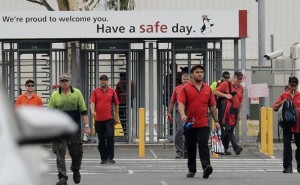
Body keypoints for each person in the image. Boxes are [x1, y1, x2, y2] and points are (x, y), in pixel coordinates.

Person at [178, 64, 220, 179]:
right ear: (192, 75)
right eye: (197, 72)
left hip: (203, 122)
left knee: (203, 144)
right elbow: (180, 103)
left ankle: (206, 167)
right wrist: (182, 115)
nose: (200, 74)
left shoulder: (208, 89)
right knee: (190, 146)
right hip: (189, 123)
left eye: (201, 72)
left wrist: (216, 120)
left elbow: (212, 106)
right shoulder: (185, 88)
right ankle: (192, 169)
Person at [48, 73, 90, 185]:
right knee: (60, 154)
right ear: (59, 83)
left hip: (73, 129)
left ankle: (76, 170)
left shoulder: (77, 93)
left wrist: (86, 126)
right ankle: (62, 178)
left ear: (70, 82)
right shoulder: (55, 95)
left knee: (76, 153)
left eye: (66, 80)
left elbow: (83, 110)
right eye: (62, 81)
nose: (64, 83)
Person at [90, 74, 120, 164]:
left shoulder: (112, 91)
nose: (103, 81)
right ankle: (103, 158)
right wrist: (92, 111)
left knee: (110, 136)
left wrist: (117, 115)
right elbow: (92, 102)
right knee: (101, 139)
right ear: (100, 81)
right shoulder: (95, 91)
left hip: (109, 118)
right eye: (101, 79)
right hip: (99, 119)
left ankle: (110, 157)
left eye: (105, 80)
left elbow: (116, 103)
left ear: (107, 81)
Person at [273, 76, 300, 173]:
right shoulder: (284, 95)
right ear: (288, 85)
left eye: (295, 86)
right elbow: (274, 107)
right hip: (287, 124)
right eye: (291, 85)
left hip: (298, 124)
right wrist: (282, 103)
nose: (293, 88)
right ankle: (287, 166)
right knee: (287, 146)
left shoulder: (299, 95)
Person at [214, 71, 244, 155]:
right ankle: (236, 147)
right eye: (238, 79)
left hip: (234, 110)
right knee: (228, 128)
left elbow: (240, 101)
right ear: (234, 77)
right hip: (225, 110)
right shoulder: (226, 84)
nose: (239, 81)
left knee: (229, 128)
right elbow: (216, 92)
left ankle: (222, 148)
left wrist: (239, 113)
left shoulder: (241, 88)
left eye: (241, 79)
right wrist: (226, 95)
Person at [167, 73, 190, 159]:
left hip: (190, 113)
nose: (185, 81)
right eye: (184, 79)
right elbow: (172, 101)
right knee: (180, 131)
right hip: (179, 113)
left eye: (187, 79)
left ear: (190, 80)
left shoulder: (193, 88)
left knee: (189, 133)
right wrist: (169, 112)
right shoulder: (177, 89)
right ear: (181, 80)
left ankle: (187, 151)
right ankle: (179, 151)